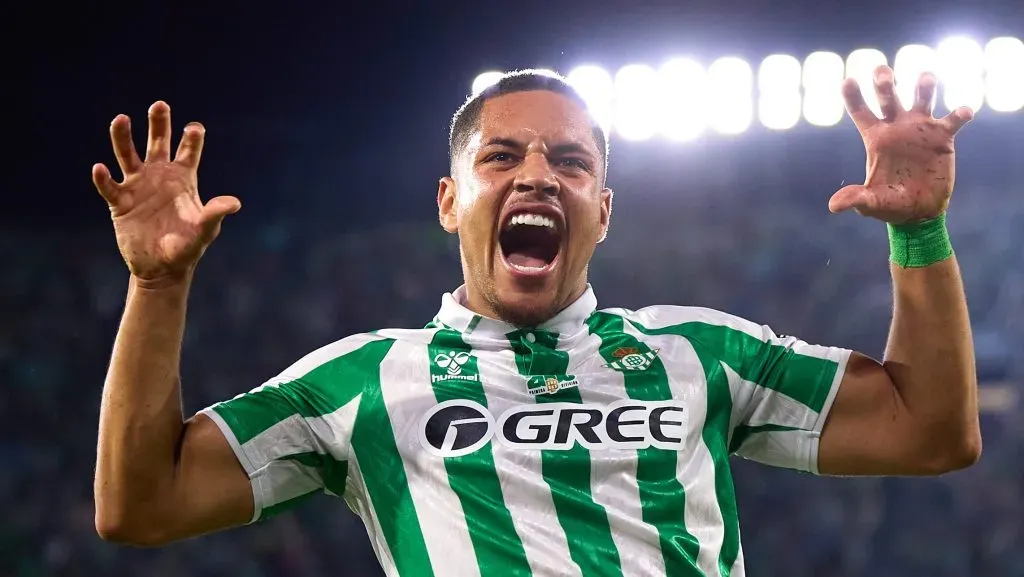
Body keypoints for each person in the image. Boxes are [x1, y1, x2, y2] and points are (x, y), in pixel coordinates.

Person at [92, 66, 982, 576]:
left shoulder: (701, 352)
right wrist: (157, 287)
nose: (537, 175)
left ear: (603, 210)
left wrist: (919, 233)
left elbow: (930, 429)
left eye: (570, 161)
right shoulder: (362, 380)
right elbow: (141, 502)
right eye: (501, 156)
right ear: (450, 202)